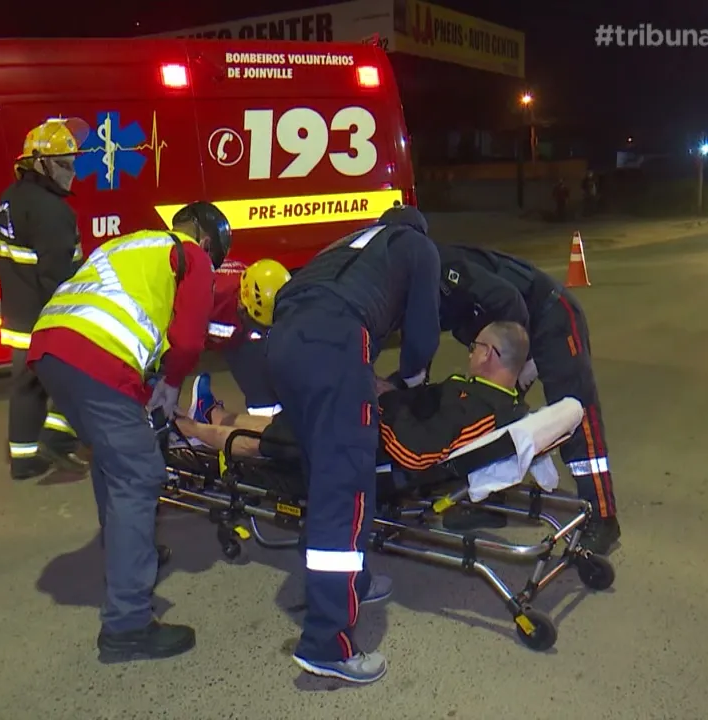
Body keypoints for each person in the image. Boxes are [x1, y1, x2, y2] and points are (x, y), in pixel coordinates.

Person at [26, 201, 232, 663]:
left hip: (52, 348)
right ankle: (127, 626)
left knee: (113, 460)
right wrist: (174, 383)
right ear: (205, 241)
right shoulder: (191, 256)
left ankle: (129, 552)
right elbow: (191, 338)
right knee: (139, 473)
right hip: (97, 356)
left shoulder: (131, 244)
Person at [265, 205, 442, 684]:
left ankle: (349, 585)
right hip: (335, 339)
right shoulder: (417, 245)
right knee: (344, 487)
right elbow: (423, 333)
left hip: (283, 337)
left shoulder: (350, 242)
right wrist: (407, 381)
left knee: (319, 472)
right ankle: (328, 643)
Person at [433, 243, 621, 554]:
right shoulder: (412, 288)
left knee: (575, 411)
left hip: (549, 317)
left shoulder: (445, 268)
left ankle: (603, 517)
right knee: (484, 410)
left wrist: (512, 364)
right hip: (505, 336)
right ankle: (488, 498)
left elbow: (510, 302)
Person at [177, 322, 531, 473]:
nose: (470, 353)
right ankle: (212, 416)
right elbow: (428, 411)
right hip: (373, 423)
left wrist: (380, 406)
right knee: (288, 420)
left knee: (265, 439)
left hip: (364, 441)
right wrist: (387, 391)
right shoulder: (485, 395)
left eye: (475, 347)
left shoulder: (485, 409)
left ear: (490, 355)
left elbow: (418, 451)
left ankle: (185, 429)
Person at [0, 118, 90, 481]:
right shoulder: (52, 210)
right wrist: (74, 318)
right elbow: (57, 274)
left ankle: (23, 458)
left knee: (27, 386)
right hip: (48, 317)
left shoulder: (11, 197)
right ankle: (58, 439)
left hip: (19, 316)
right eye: (64, 164)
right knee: (80, 376)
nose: (72, 172)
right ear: (41, 162)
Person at [190, 259, 292, 422]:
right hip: (176, 329)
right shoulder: (204, 295)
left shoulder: (259, 286)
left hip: (234, 335)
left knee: (267, 401)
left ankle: (207, 414)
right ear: (241, 303)